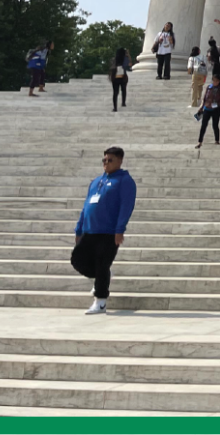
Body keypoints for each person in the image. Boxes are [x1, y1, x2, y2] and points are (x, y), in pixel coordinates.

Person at [71, 145, 136, 315]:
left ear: (120, 161)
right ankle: (104, 274)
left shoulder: (124, 181)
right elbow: (86, 206)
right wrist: (79, 229)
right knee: (77, 260)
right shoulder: (96, 182)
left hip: (108, 231)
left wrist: (119, 229)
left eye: (110, 160)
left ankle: (100, 302)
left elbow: (126, 206)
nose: (106, 163)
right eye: (104, 160)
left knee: (101, 263)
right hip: (89, 229)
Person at [195, 69, 220, 147]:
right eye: (214, 81)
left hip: (216, 109)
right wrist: (202, 107)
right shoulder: (209, 87)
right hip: (207, 108)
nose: (215, 82)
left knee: (215, 125)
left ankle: (217, 139)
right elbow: (205, 98)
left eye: (216, 81)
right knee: (203, 125)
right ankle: (200, 141)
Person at [109, 48, 133, 112]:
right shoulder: (125, 59)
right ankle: (123, 102)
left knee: (115, 93)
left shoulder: (114, 59)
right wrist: (128, 56)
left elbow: (111, 67)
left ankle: (115, 107)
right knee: (123, 89)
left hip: (115, 77)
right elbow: (129, 66)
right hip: (123, 77)